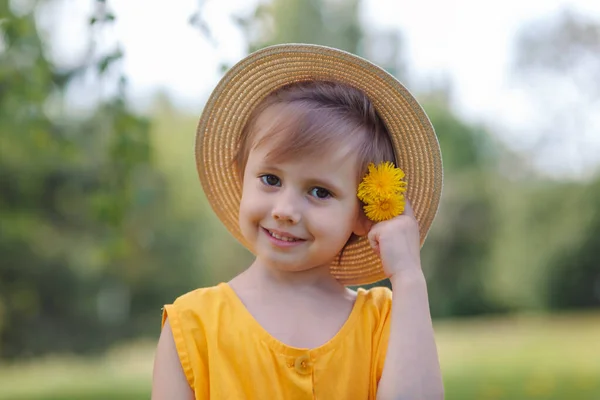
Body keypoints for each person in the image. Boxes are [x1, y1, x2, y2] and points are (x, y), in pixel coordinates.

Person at [152, 44, 444, 399]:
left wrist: (409, 277)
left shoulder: (384, 322)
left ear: (363, 213)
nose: (285, 210)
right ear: (241, 176)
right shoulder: (192, 326)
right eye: (271, 180)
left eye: (320, 192)